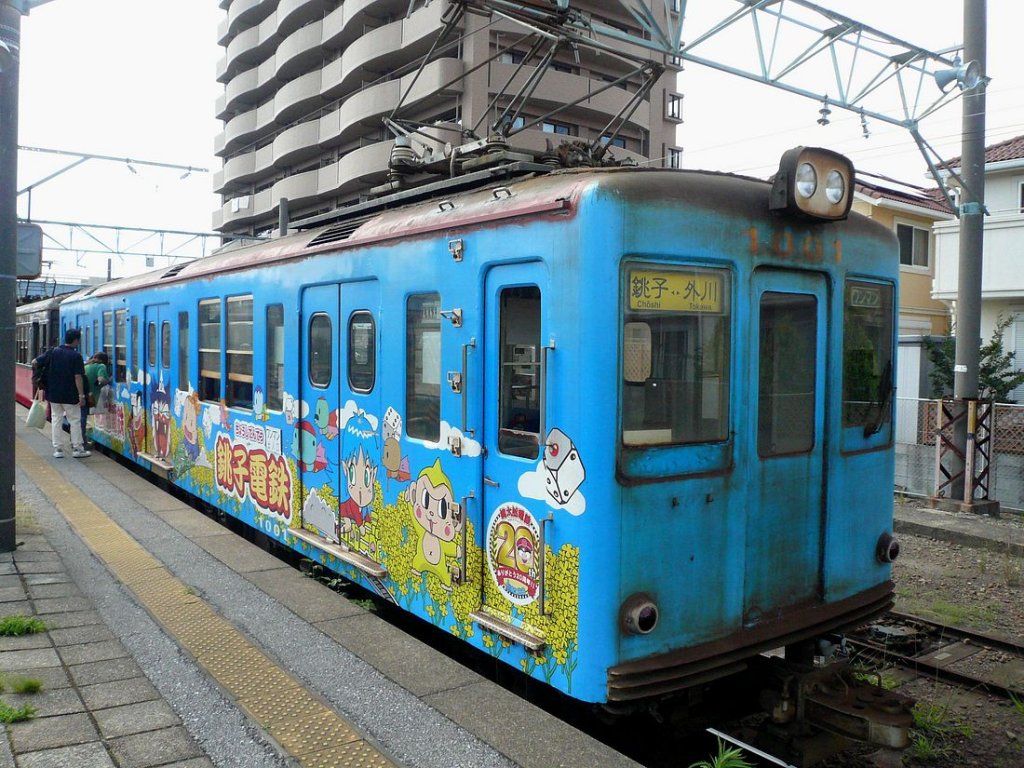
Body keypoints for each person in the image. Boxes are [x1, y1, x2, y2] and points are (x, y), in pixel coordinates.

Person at [34, 328, 90, 459]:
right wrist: (81, 395)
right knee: (74, 420)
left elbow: (35, 362)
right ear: (76, 341)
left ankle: (58, 449)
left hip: (53, 393)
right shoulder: (76, 356)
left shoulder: (53, 352)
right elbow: (78, 377)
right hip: (70, 395)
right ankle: (77, 448)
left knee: (56, 419)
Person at [82, 351, 111, 448]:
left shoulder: (86, 367)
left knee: (82, 420)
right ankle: (86, 442)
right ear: (103, 361)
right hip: (94, 398)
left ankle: (80, 441)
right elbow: (101, 379)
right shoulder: (101, 366)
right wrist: (108, 380)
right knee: (88, 420)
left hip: (83, 397)